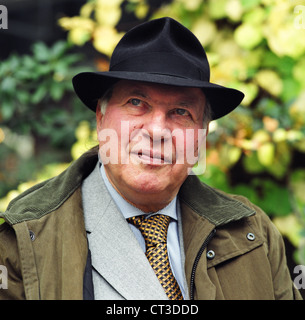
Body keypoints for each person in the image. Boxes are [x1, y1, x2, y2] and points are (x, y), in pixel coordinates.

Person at [0, 17, 302, 300]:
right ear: (101, 117)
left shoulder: (253, 234)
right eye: (136, 103)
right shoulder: (23, 239)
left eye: (181, 112)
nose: (157, 130)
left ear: (201, 135)